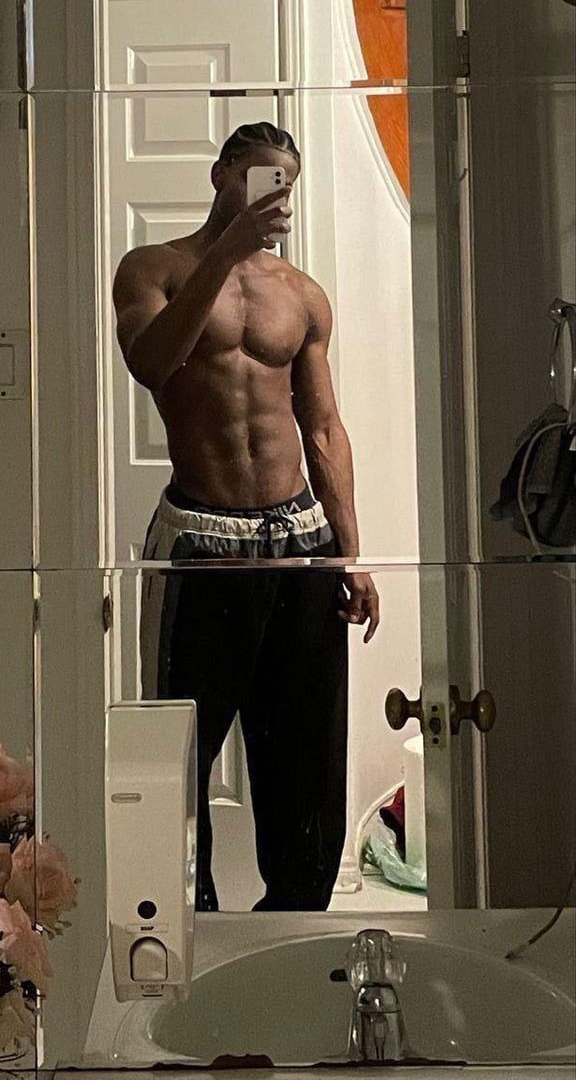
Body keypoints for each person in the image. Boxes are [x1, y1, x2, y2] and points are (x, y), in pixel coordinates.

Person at [113, 121, 380, 911]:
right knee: (179, 762)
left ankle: (291, 938)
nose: (276, 198)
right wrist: (225, 252)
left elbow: (322, 426)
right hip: (202, 545)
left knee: (307, 766)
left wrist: (350, 554)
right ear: (221, 173)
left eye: (285, 185)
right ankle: (186, 948)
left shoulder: (300, 294)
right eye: (262, 179)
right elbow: (151, 361)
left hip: (300, 544)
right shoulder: (153, 269)